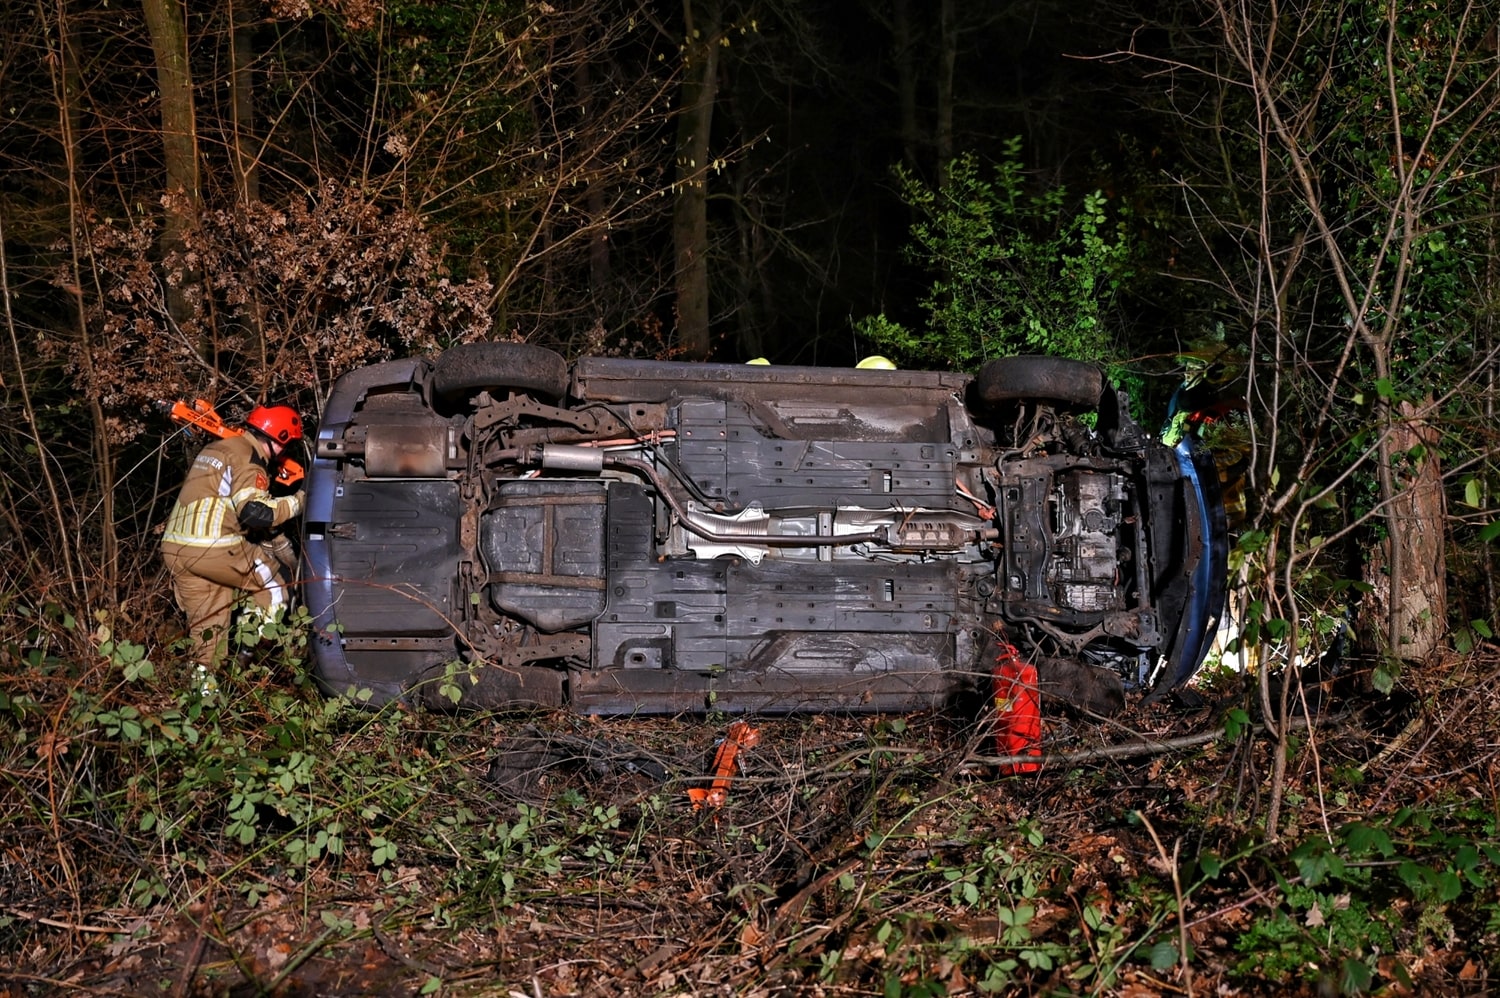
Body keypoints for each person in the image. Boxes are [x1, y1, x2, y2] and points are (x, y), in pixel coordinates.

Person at [160, 404, 306, 688]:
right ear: (279, 438)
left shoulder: (220, 448)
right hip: (213, 548)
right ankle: (246, 657)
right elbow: (254, 512)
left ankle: (202, 701)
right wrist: (300, 501)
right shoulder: (250, 458)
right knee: (279, 585)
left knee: (207, 636)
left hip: (176, 549)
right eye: (287, 446)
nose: (286, 454)